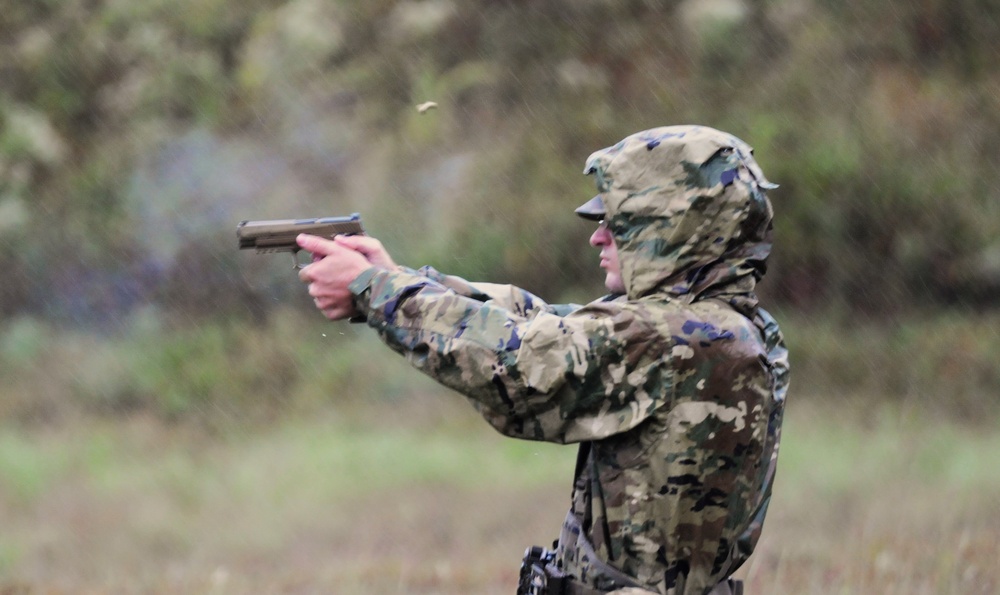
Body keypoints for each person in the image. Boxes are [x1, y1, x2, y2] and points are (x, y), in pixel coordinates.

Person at [297, 125, 790, 595]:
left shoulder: (677, 335)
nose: (598, 237)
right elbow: (549, 326)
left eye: (619, 224)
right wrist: (402, 280)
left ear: (675, 228)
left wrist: (376, 290)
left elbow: (517, 365)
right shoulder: (728, 326)